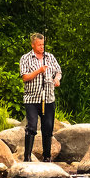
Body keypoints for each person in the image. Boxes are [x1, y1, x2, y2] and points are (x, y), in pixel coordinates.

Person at [19, 33, 62, 162]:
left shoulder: (50, 57)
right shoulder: (25, 58)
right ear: (33, 45)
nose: (42, 47)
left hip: (48, 98)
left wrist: (57, 79)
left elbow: (58, 71)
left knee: (48, 127)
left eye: (43, 44)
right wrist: (39, 70)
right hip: (32, 98)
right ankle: (27, 158)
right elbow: (25, 77)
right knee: (31, 126)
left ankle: (47, 157)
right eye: (39, 45)